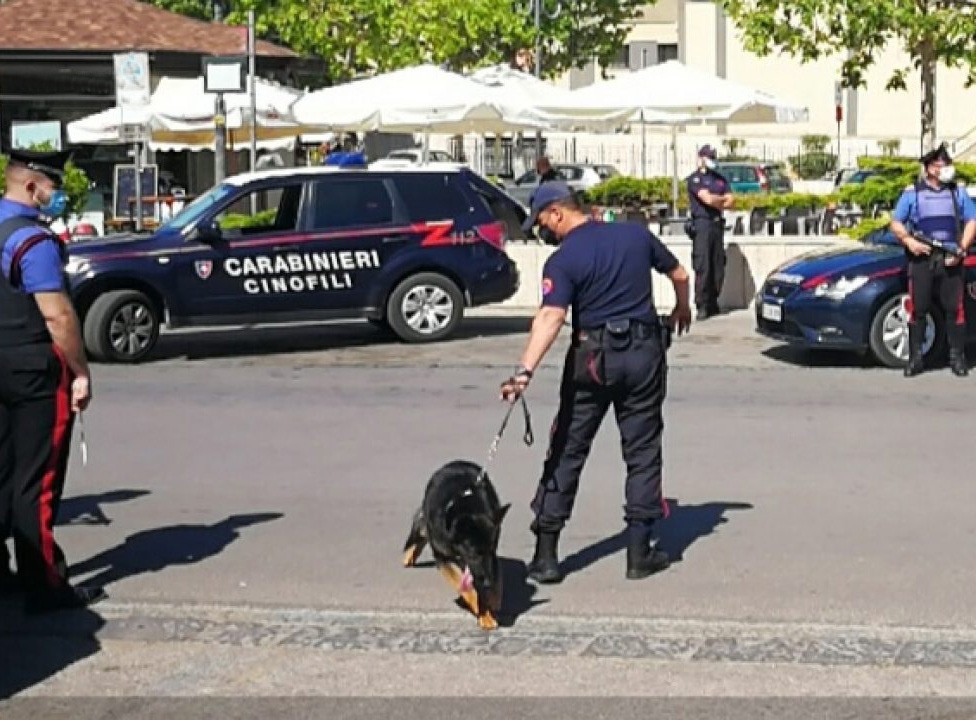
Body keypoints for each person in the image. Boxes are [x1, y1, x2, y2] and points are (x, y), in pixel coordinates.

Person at [501, 181, 692, 584]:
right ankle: (639, 554)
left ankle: (547, 557)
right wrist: (682, 306)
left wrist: (523, 372)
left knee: (568, 449)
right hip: (643, 355)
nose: (544, 232)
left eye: (543, 223)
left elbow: (551, 319)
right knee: (642, 451)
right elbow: (680, 273)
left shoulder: (564, 260)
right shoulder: (635, 235)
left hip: (592, 358)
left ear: (557, 213)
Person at [0, 149, 104, 613]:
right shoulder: (33, 241)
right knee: (37, 479)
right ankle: (43, 583)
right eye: (51, 187)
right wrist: (80, 370)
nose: (55, 195)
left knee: (1, 471)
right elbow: (58, 315)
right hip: (31, 367)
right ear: (31, 187)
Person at [890, 142, 976, 377]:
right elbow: (896, 223)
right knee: (918, 308)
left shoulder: (957, 192)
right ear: (929, 168)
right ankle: (915, 359)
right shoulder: (912, 194)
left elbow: (972, 221)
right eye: (939, 165)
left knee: (955, 309)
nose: (945, 168)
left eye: (946, 164)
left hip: (951, 259)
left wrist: (961, 248)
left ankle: (957, 358)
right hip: (922, 260)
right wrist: (909, 241)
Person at [686, 145, 734, 320]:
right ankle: (702, 304)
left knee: (718, 265)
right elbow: (706, 199)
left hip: (716, 225)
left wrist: (717, 201)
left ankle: (714, 301)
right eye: (708, 157)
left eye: (713, 157)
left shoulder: (720, 179)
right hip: (702, 225)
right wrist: (719, 200)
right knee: (703, 266)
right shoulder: (695, 179)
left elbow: (731, 202)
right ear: (701, 158)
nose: (712, 160)